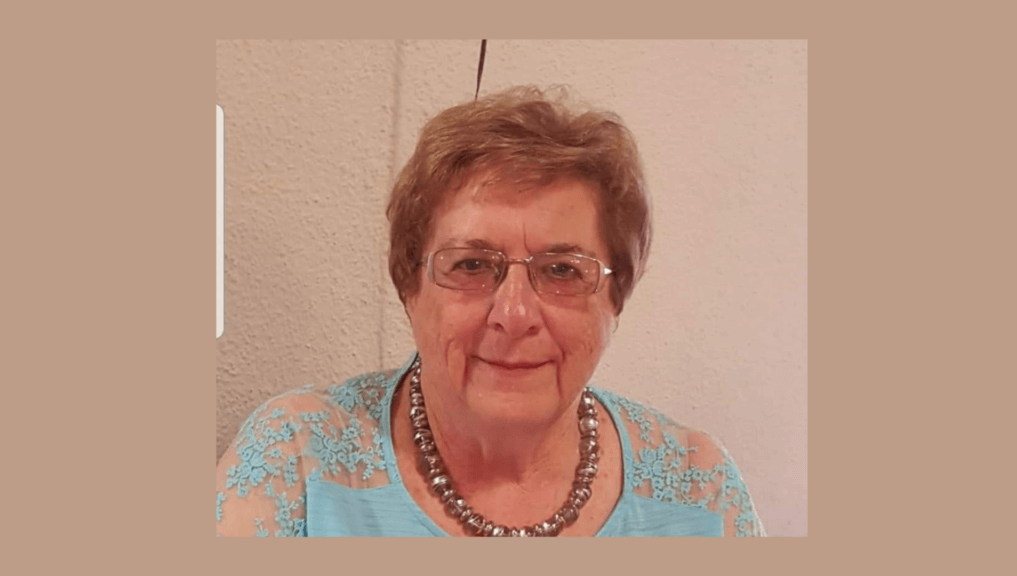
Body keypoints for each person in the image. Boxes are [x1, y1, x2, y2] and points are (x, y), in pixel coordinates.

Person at [215, 85, 765, 537]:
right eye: (472, 265)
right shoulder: (297, 461)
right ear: (409, 286)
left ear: (615, 297)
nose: (515, 314)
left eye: (562, 270)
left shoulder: (702, 492)